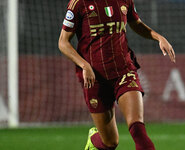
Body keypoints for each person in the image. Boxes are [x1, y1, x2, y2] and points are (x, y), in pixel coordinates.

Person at [58, 0, 175, 149]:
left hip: (124, 72)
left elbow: (136, 24)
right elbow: (63, 42)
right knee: (110, 143)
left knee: (138, 131)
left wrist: (158, 37)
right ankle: (93, 139)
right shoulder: (79, 3)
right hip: (95, 78)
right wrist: (84, 65)